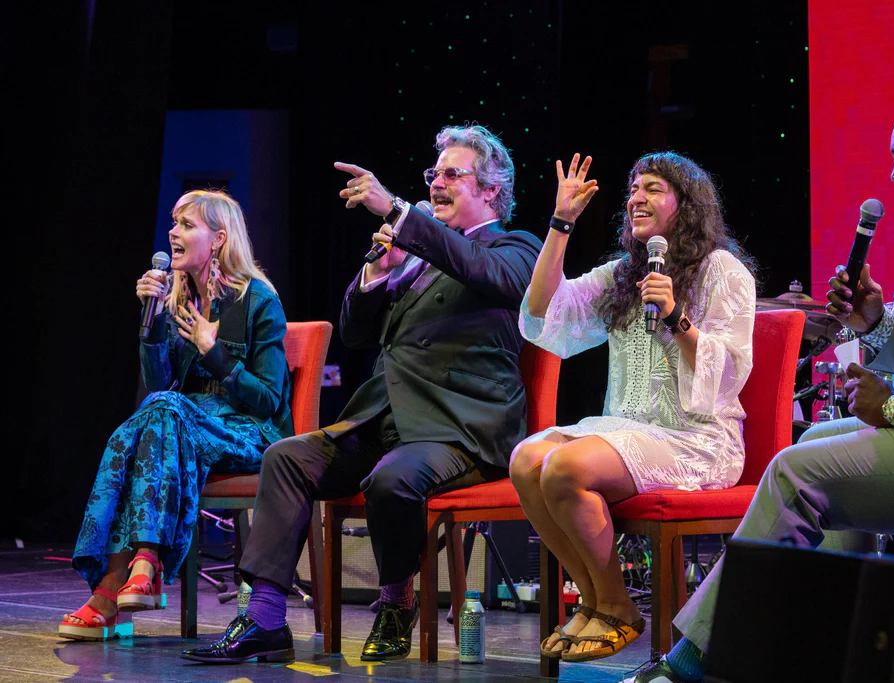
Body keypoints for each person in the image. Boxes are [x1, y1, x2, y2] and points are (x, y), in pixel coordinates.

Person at [627, 61, 894, 683]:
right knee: (810, 441)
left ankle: (699, 664)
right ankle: (839, 652)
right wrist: (873, 321)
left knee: (794, 469)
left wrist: (893, 409)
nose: (893, 174)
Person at [182, 124, 542, 664]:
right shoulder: (415, 253)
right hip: (386, 418)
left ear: (491, 190)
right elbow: (353, 334)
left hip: (460, 427)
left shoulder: (515, 248)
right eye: (433, 173)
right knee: (286, 457)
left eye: (452, 173)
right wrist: (377, 272)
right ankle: (264, 618)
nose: (437, 183)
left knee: (392, 478)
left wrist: (399, 210)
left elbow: (482, 271)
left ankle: (396, 599)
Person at [510, 151, 757, 663]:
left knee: (566, 465)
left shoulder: (723, 271)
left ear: (686, 204)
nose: (636, 198)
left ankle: (619, 606)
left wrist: (676, 316)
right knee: (526, 459)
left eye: (653, 188)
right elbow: (542, 316)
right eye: (633, 188)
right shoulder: (624, 273)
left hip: (698, 437)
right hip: (627, 428)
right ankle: (596, 599)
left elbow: (731, 372)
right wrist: (561, 224)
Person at [58, 190, 291, 642]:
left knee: (156, 415)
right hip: (182, 428)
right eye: (174, 223)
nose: (173, 232)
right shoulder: (176, 297)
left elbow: (269, 401)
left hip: (249, 432)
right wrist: (153, 322)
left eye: (187, 225)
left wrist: (214, 352)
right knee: (155, 412)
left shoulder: (259, 300)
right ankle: (143, 564)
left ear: (219, 239)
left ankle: (114, 588)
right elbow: (160, 383)